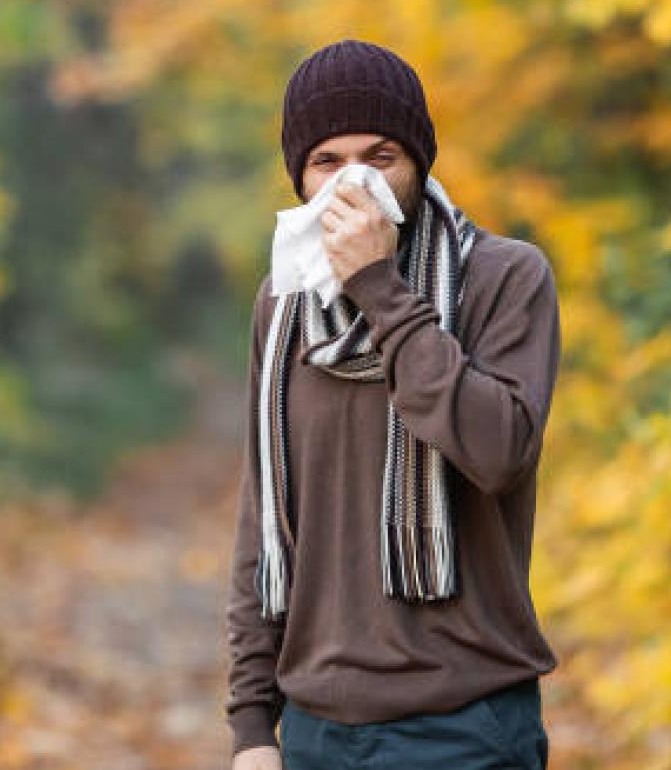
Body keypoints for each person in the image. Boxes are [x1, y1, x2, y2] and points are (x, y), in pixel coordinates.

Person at [225, 38, 561, 770]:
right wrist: (252, 724)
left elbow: (498, 451)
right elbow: (265, 516)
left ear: (417, 163)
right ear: (300, 178)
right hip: (315, 732)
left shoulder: (504, 278)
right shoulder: (283, 306)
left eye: (380, 158)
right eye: (327, 161)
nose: (353, 183)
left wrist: (381, 290)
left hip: (465, 727)